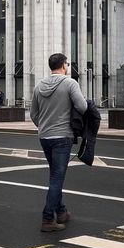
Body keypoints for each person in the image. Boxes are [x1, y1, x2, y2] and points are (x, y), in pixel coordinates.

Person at [30, 53, 87, 233]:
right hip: (63, 137)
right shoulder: (70, 83)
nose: (67, 66)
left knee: (55, 174)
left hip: (45, 138)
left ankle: (61, 211)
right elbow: (83, 107)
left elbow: (33, 114)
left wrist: (44, 126)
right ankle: (48, 218)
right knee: (57, 177)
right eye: (67, 64)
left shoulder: (39, 86)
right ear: (63, 65)